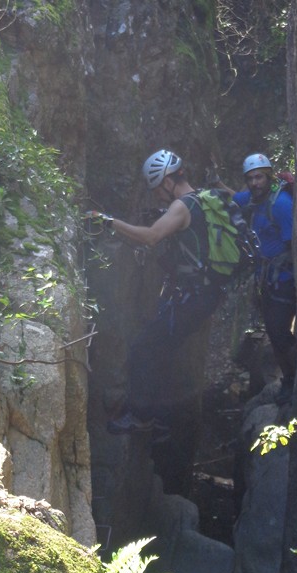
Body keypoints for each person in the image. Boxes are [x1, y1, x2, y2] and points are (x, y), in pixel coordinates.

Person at [99, 149, 225, 436]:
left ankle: (142, 417)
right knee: (163, 350)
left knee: (144, 348)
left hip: (193, 298)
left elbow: (152, 236)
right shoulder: (205, 198)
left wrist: (109, 221)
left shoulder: (181, 207)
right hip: (207, 294)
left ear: (168, 182)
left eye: (157, 188)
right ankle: (167, 420)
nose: (157, 195)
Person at [220, 153, 296, 401]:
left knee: (279, 332)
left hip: (283, 281)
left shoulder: (281, 205)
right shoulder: (254, 200)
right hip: (267, 280)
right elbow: (234, 198)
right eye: (250, 178)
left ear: (269, 176)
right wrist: (214, 185)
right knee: (275, 334)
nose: (255, 183)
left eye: (259, 177)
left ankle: (294, 380)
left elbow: (293, 244)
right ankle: (289, 380)